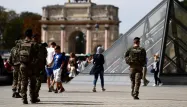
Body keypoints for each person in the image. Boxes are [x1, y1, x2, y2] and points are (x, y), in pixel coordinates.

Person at [19, 29, 38, 104]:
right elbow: (37, 55)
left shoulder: (21, 43)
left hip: (22, 65)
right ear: (31, 35)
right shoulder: (33, 43)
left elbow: (18, 53)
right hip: (31, 65)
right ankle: (32, 98)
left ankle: (24, 98)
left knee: (24, 81)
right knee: (32, 82)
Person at [32, 34, 47, 102]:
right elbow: (45, 56)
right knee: (38, 80)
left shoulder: (29, 45)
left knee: (31, 81)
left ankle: (31, 96)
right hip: (39, 66)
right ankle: (35, 95)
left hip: (31, 66)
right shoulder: (42, 46)